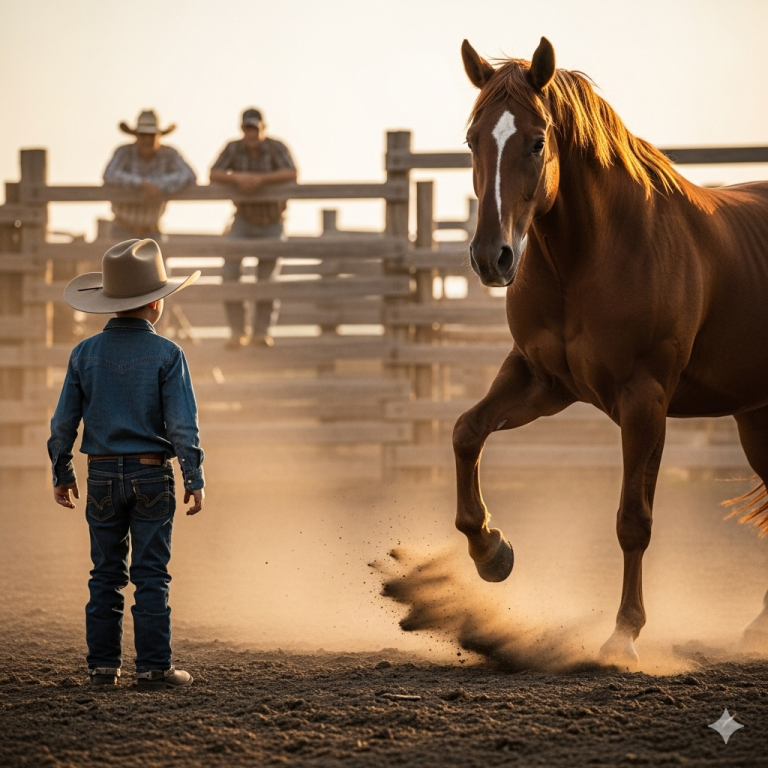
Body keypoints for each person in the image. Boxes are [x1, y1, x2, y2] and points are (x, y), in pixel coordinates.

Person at [47, 238, 205, 689]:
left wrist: (62, 471)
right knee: (151, 574)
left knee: (105, 573)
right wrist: (194, 475)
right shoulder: (168, 355)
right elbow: (182, 425)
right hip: (152, 470)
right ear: (156, 303)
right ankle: (154, 667)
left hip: (99, 475)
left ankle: (102, 667)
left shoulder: (84, 354)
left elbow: (63, 423)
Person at [210, 108, 297, 348]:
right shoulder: (233, 148)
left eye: (255, 129)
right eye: (247, 128)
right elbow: (213, 173)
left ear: (263, 129)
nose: (251, 133)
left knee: (267, 279)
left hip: (272, 221)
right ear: (242, 130)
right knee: (229, 272)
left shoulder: (276, 147)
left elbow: (292, 172)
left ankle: (261, 332)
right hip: (243, 219)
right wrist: (238, 178)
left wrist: (261, 180)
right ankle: (238, 331)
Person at [104, 110, 196, 240]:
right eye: (143, 135)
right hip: (122, 229)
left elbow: (189, 175)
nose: (147, 140)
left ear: (158, 136)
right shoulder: (124, 152)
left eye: (151, 135)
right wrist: (141, 184)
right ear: (136, 135)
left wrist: (158, 186)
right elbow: (109, 175)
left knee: (156, 260)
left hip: (152, 231)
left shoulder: (169, 154)